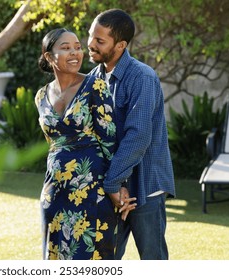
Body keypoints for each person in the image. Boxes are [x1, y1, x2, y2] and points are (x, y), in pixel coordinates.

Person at [35, 28, 136, 260]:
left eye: (77, 47)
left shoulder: (94, 86)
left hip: (91, 191)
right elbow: (52, 144)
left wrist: (116, 187)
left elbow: (109, 142)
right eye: (66, 47)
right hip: (54, 191)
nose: (75, 52)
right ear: (50, 57)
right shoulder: (41, 96)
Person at [87, 9, 176, 260]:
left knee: (152, 260)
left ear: (121, 45)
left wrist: (114, 183)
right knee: (106, 258)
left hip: (144, 186)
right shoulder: (94, 79)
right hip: (111, 187)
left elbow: (138, 136)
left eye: (100, 41)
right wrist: (112, 186)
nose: (90, 44)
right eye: (91, 36)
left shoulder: (142, 77)